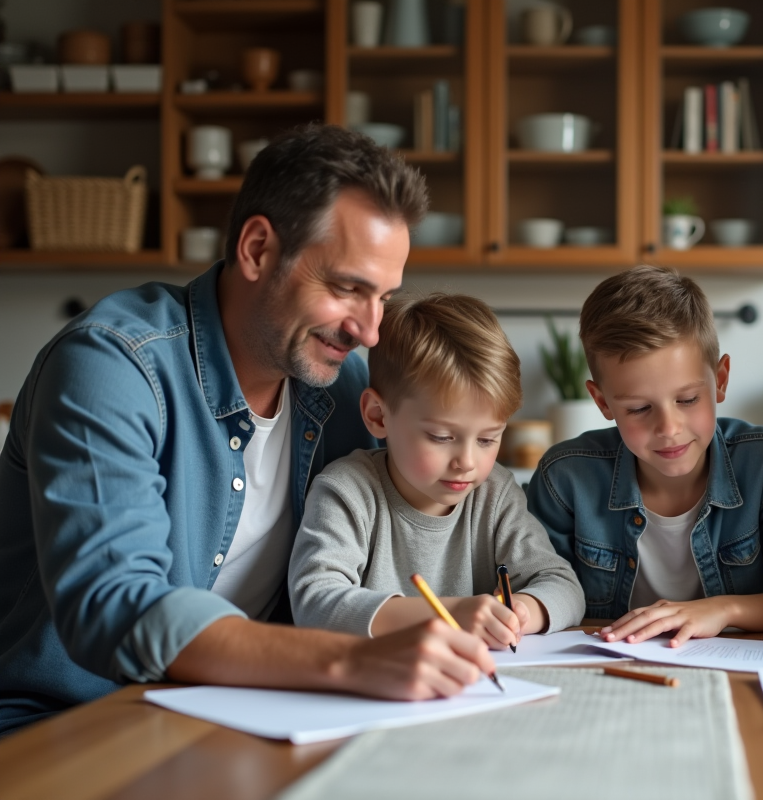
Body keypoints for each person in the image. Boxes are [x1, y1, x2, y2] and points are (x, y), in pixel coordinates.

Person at [0, 125, 494, 735]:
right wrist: (352, 660)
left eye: (384, 298)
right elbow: (114, 604)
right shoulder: (110, 366)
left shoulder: (348, 391)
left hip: (251, 715)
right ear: (258, 249)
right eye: (347, 288)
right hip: (69, 724)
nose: (370, 330)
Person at [526, 265, 763, 646]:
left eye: (688, 399)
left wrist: (723, 610)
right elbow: (538, 587)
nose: (669, 427)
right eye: (639, 409)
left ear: (721, 379)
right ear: (602, 402)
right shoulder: (565, 477)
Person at [289, 293, 586, 648]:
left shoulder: (494, 493)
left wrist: (522, 610)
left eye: (488, 440)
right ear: (378, 416)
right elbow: (314, 603)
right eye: (441, 437)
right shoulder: (347, 491)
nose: (467, 462)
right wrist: (451, 614)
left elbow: (564, 586)